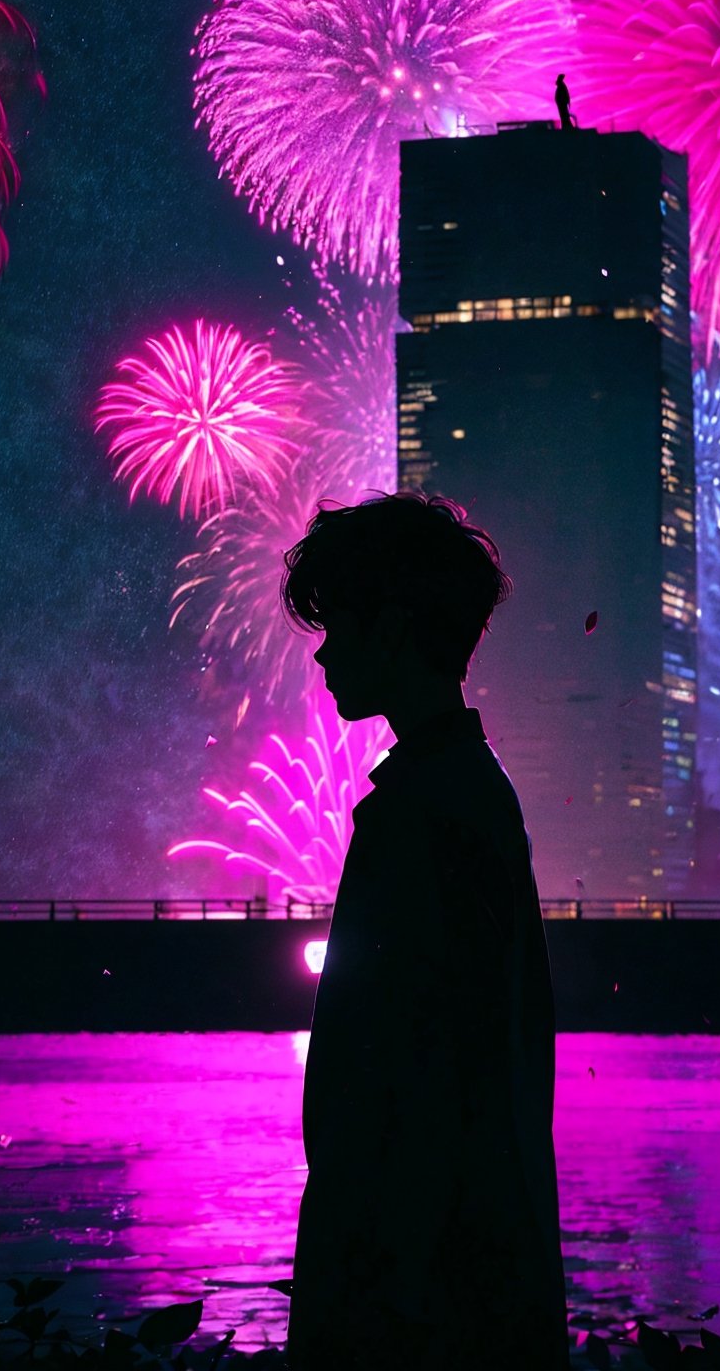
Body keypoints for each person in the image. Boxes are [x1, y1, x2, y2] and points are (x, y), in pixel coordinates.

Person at [278, 490, 571, 1371]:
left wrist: (363, 1287)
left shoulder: (420, 812)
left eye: (339, 624)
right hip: (464, 1269)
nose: (325, 653)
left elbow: (399, 1075)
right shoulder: (469, 794)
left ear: (395, 630)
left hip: (413, 1289)